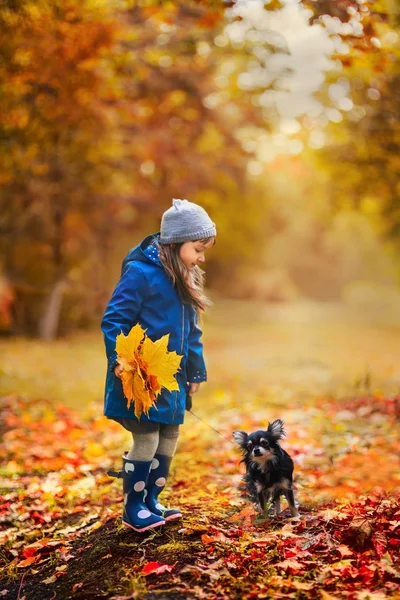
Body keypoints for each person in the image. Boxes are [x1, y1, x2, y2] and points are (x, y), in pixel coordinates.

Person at [101, 198, 216, 533]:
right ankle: (133, 507)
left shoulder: (187, 275)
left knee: (170, 434)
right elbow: (114, 320)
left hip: (172, 377)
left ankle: (152, 499)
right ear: (176, 243)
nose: (201, 257)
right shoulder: (141, 274)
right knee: (147, 437)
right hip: (139, 377)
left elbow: (193, 331)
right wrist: (120, 360)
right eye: (197, 248)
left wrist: (195, 371)